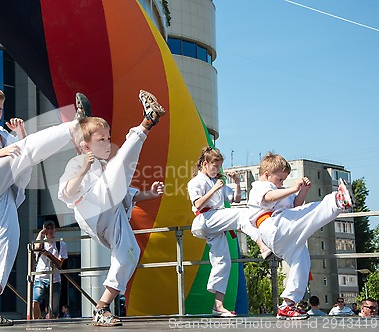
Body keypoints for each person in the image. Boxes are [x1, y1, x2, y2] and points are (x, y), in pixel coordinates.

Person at [0, 85, 81, 326]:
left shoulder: (2, 133)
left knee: (9, 239)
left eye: (0, 109)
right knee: (21, 150)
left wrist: (21, 134)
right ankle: (75, 126)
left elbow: (27, 152)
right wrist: (1, 152)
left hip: (2, 191)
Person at [58, 90, 166, 327]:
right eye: (102, 139)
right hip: (91, 209)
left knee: (130, 254)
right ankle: (148, 121)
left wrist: (151, 193)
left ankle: (102, 307)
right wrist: (83, 169)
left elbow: (127, 194)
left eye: (108, 138)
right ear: (85, 145)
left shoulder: (104, 165)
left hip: (113, 215)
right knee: (117, 168)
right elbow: (66, 193)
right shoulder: (77, 163)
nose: (108, 142)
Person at [247, 152, 355, 320]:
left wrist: (302, 191)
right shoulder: (260, 187)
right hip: (271, 225)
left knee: (302, 261)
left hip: (283, 232)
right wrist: (293, 188)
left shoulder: (280, 189)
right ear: (267, 174)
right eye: (279, 179)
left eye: (284, 180)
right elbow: (268, 198)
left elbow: (296, 205)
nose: (281, 183)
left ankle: (288, 304)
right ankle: (337, 200)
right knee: (309, 212)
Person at [187, 147, 272, 317]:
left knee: (223, 261)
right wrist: (214, 189)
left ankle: (218, 306)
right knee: (241, 214)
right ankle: (262, 245)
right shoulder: (196, 182)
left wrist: (237, 182)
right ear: (205, 164)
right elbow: (197, 205)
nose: (218, 170)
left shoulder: (216, 181)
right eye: (215, 166)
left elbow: (236, 199)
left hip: (216, 222)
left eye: (219, 167)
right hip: (204, 219)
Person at [33, 220, 68, 319]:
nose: (50, 230)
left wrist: (49, 255)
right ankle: (36, 322)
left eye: (52, 228)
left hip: (55, 279)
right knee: (35, 300)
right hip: (40, 277)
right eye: (47, 228)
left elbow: (59, 264)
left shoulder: (60, 244)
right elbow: (36, 247)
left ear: (55, 229)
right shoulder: (41, 244)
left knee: (54, 310)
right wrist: (40, 233)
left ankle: (52, 323)